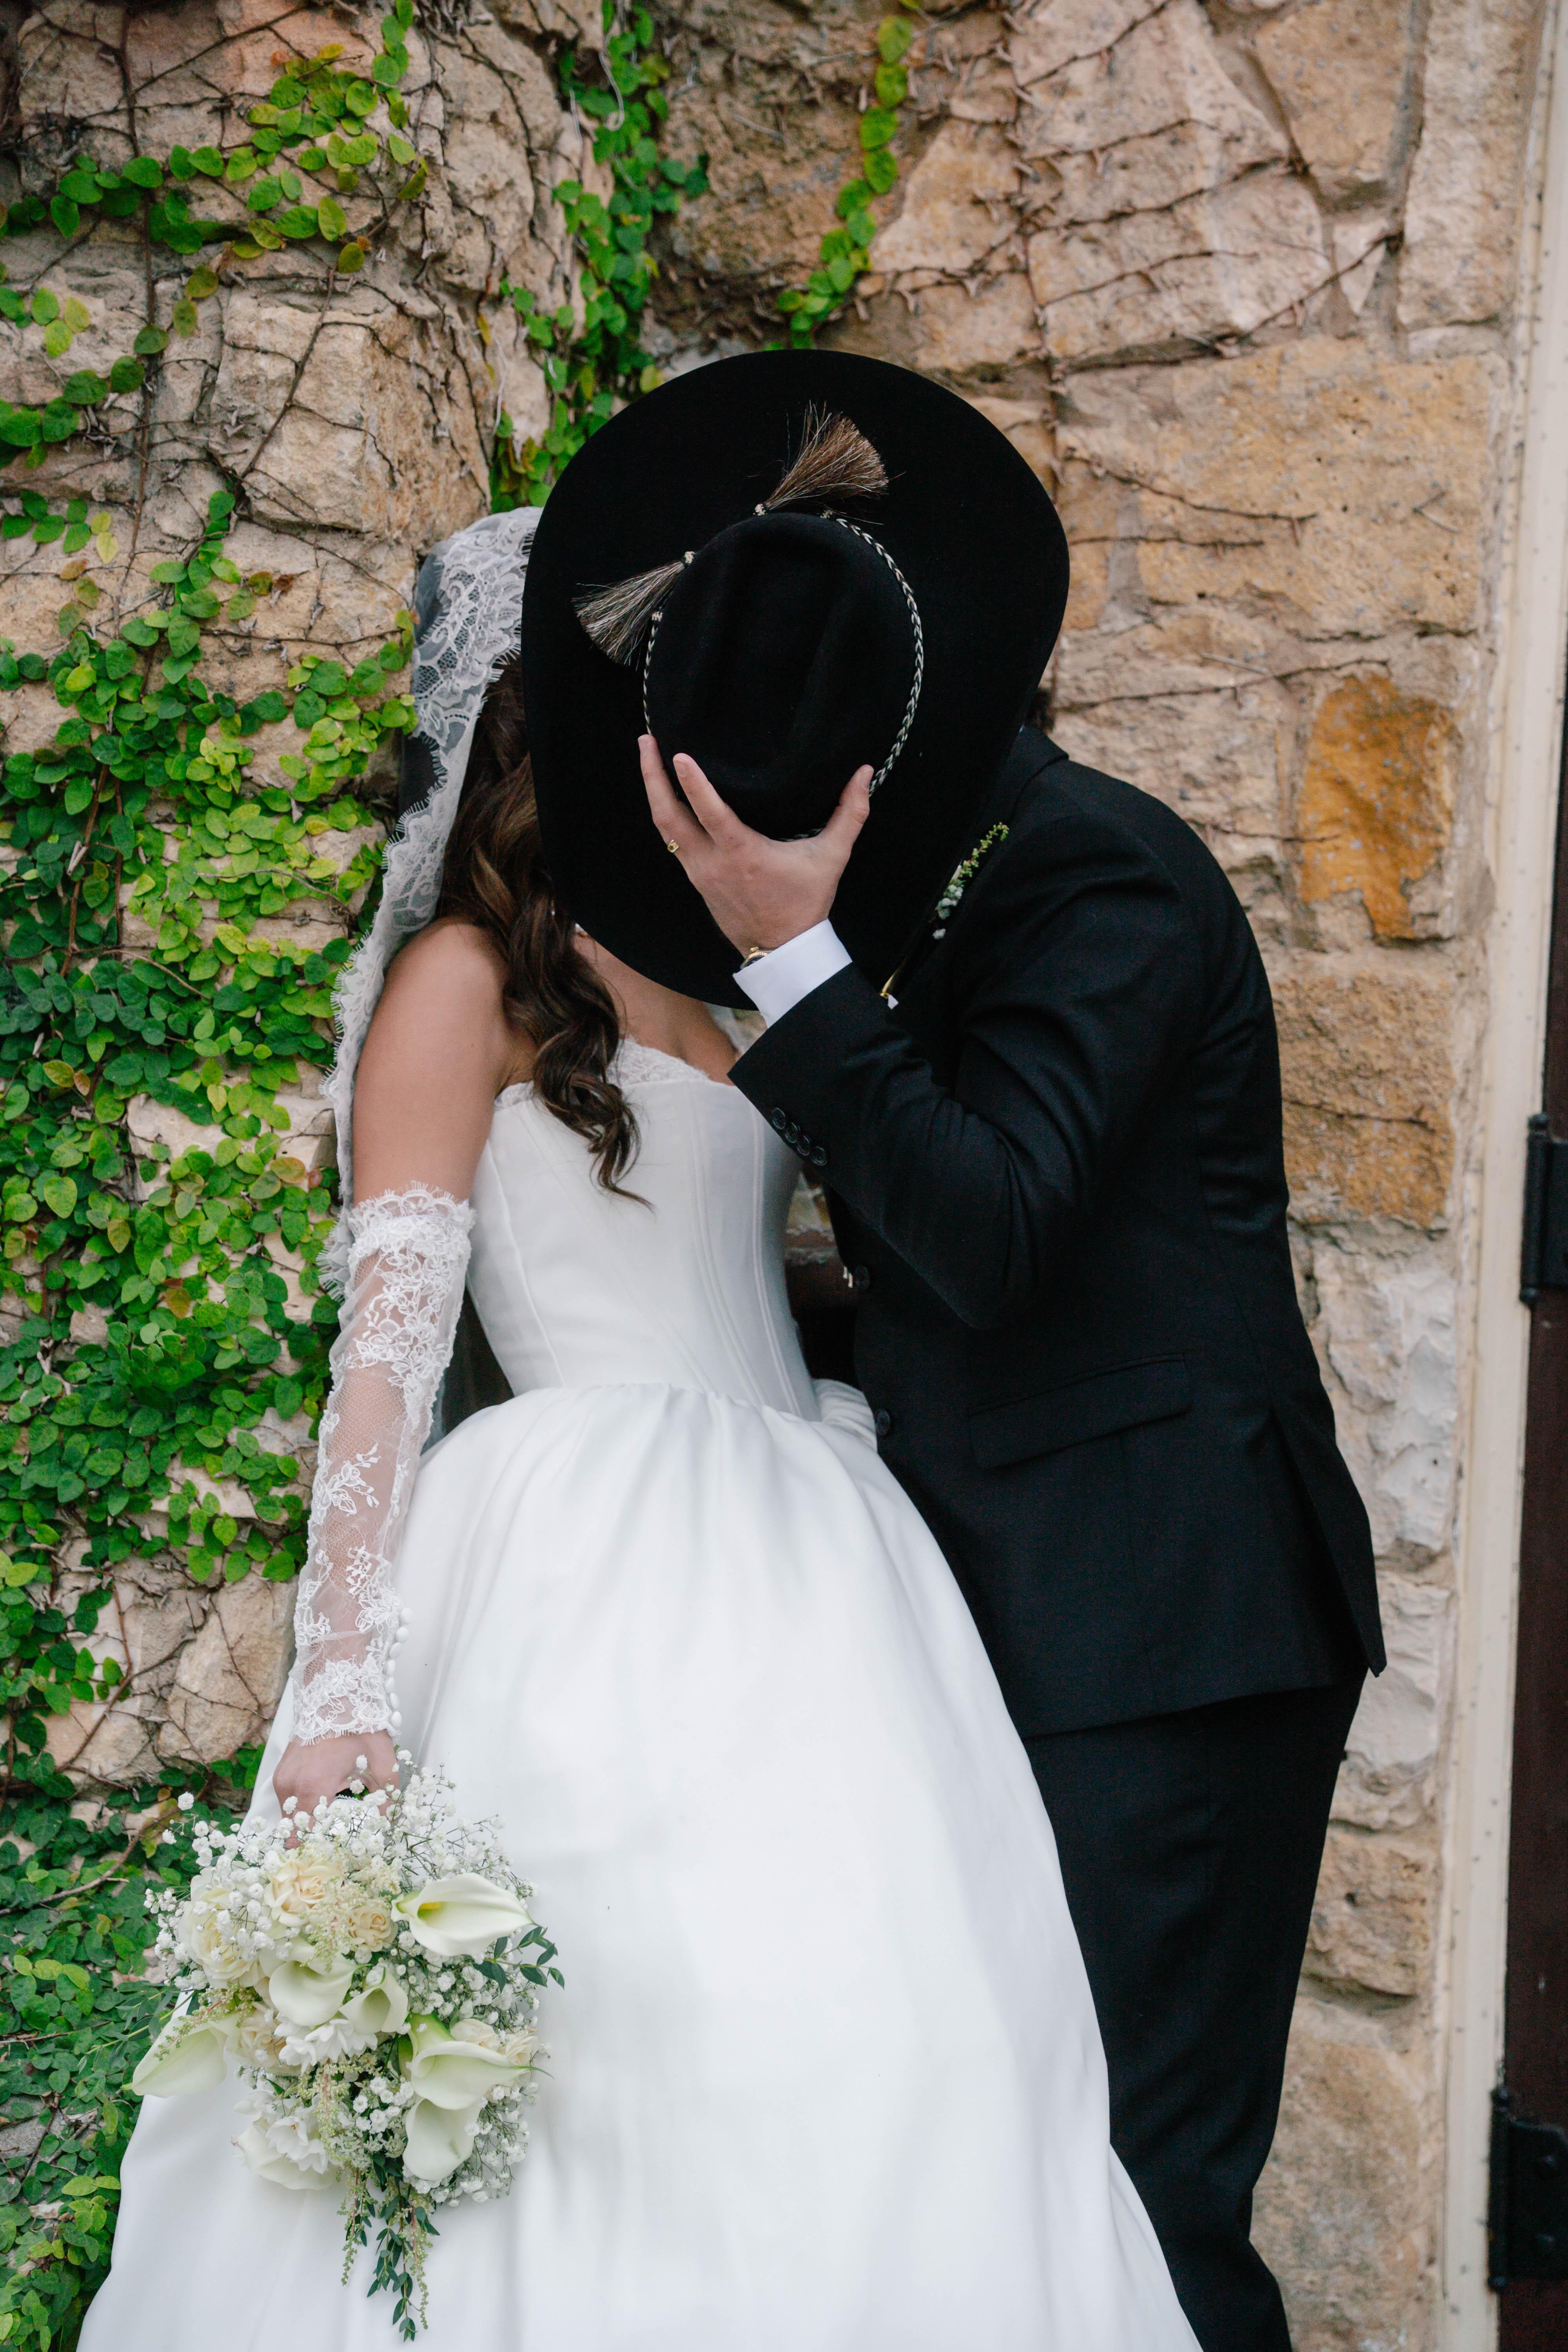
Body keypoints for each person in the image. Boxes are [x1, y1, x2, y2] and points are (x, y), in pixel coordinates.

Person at [80, 376, 1199, 2349]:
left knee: (870, 2025)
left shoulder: (744, 983)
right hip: (582, 1538)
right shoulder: (463, 983)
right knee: (626, 2034)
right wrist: (343, 1677)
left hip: (817, 1542)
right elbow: (385, 1352)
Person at [520, 348, 1386, 2352]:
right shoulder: (940, 902)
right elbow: (930, 1257)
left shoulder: (1100, 878)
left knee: (1142, 2210)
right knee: (1022, 2203)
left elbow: (990, 1233)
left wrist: (791, 961)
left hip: (1161, 1635)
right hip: (1015, 1626)